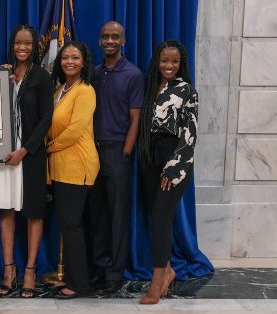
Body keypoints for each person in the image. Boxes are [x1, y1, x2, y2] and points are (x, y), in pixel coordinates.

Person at [0, 24, 54, 298]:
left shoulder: (42, 77)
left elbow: (45, 121)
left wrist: (25, 150)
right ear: (12, 43)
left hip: (30, 155)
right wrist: (1, 84)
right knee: (6, 210)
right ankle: (9, 270)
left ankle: (30, 270)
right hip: (4, 154)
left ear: (34, 46)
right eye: (18, 42)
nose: (22, 47)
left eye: (27, 43)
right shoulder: (2, 73)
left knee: (33, 211)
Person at [137, 40, 198, 304]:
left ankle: (157, 280)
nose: (169, 66)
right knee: (156, 216)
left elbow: (190, 135)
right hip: (150, 155)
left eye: (174, 62)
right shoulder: (150, 86)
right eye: (165, 61)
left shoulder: (187, 91)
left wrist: (173, 169)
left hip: (175, 158)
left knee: (162, 216)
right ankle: (169, 269)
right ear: (157, 62)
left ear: (180, 63)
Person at [85, 21, 144, 294]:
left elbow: (136, 119)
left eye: (115, 37)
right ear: (99, 41)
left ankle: (114, 274)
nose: (110, 40)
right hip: (91, 152)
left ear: (123, 41)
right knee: (97, 214)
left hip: (117, 151)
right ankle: (99, 268)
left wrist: (125, 153)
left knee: (117, 214)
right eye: (105, 36)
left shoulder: (133, 74)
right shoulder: (93, 74)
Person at [47, 41, 99, 299]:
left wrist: (48, 146)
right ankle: (73, 277)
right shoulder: (60, 89)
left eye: (75, 57)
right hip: (61, 165)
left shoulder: (85, 90)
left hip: (77, 165)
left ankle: (79, 284)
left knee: (72, 226)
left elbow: (75, 130)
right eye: (65, 57)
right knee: (68, 225)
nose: (69, 61)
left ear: (83, 61)